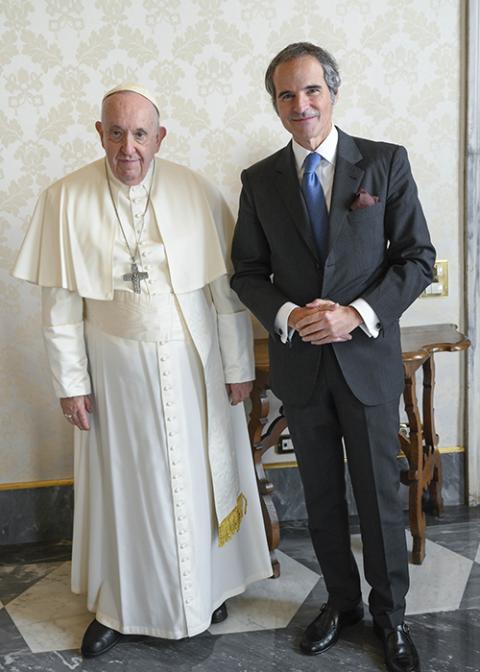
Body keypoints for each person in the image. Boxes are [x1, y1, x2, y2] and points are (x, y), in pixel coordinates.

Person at [12, 83, 272, 658]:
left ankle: (207, 590)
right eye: (115, 132)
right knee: (123, 487)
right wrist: (71, 382)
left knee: (201, 474)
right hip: (113, 368)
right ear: (98, 132)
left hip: (192, 362)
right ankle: (118, 608)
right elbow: (60, 305)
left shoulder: (195, 191)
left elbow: (224, 294)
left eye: (139, 134)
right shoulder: (65, 198)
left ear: (160, 137)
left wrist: (237, 367)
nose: (127, 147)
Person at [231, 43, 435, 672]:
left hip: (368, 362)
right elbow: (248, 272)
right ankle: (341, 603)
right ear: (275, 104)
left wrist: (356, 314)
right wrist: (292, 316)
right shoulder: (259, 179)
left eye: (311, 90)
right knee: (319, 497)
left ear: (333, 93)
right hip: (303, 366)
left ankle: (390, 616)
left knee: (377, 495)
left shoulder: (384, 163)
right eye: (287, 95)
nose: (301, 105)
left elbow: (417, 259)